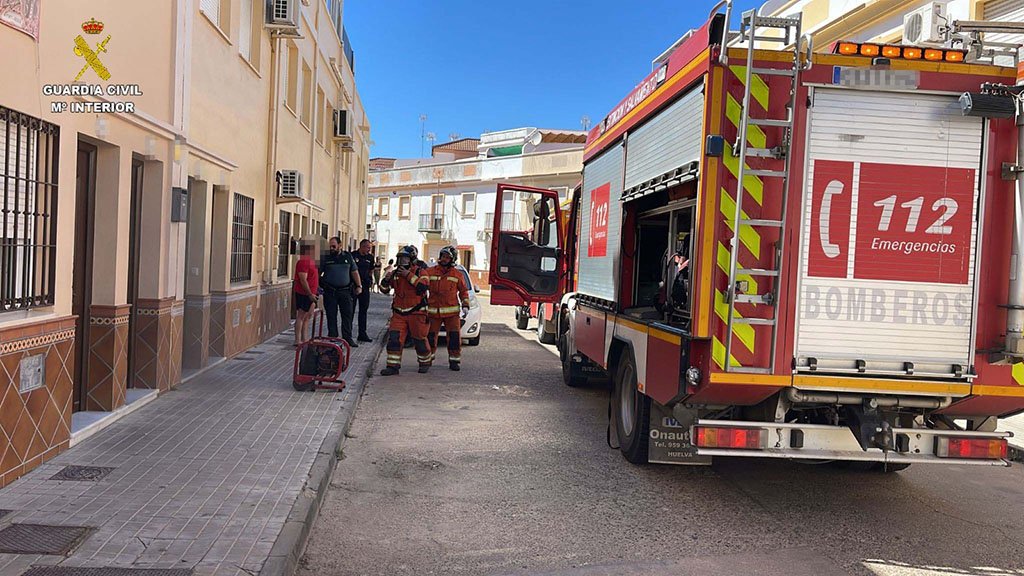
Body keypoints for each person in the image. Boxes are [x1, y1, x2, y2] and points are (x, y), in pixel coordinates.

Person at [379, 246, 431, 376]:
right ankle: (392, 366)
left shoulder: (420, 272)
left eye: (405, 259)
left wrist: (408, 275)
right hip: (399, 313)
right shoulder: (396, 274)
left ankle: (424, 362)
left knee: (419, 339)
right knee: (394, 339)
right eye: (400, 259)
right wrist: (386, 280)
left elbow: (422, 287)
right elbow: (384, 290)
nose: (402, 262)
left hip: (417, 312)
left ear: (412, 259)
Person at [424, 246, 470, 371]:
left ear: (452, 259)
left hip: (452, 313)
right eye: (443, 256)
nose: (444, 259)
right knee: (430, 337)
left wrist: (465, 305)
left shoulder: (457, 274)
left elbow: (464, 291)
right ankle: (427, 360)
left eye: (447, 257)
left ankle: (454, 361)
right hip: (433, 311)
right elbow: (421, 286)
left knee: (454, 337)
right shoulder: (430, 271)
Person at [320, 236, 362, 347]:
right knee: (331, 315)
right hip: (330, 291)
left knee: (347, 315)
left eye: (334, 246)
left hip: (345, 291)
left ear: (340, 245)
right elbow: (318, 272)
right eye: (330, 246)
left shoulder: (348, 257)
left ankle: (347, 338)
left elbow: (355, 272)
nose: (332, 248)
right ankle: (333, 337)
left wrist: (359, 286)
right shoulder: (326, 257)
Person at [293, 243, 320, 346]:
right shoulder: (303, 262)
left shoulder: (312, 262)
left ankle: (305, 339)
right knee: (301, 316)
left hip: (312, 293)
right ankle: (298, 340)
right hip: (304, 293)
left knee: (307, 316)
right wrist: (309, 294)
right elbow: (303, 279)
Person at [351, 239, 375, 342]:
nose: (369, 250)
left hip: (364, 286)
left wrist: (370, 280)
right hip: (353, 286)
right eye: (368, 247)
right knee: (350, 311)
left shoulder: (370, 258)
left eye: (370, 248)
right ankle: (348, 334)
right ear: (362, 246)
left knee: (363, 311)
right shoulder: (353, 255)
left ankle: (362, 333)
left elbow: (371, 270)